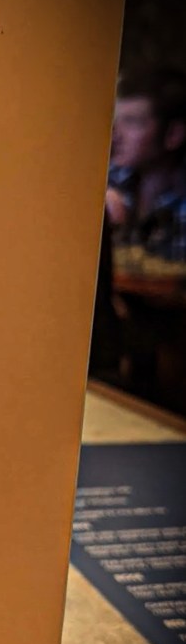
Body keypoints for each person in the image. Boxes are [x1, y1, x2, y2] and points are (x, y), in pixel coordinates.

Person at [99, 67, 186, 412]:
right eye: (116, 121)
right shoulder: (111, 183)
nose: (117, 135)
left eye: (133, 122)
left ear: (174, 134)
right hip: (123, 351)